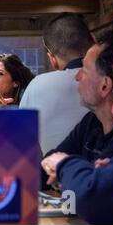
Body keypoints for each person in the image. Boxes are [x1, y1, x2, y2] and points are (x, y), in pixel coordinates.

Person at [42, 37, 113, 224]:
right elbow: (49, 164)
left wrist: (66, 165)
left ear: (105, 85)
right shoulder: (92, 121)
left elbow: (93, 197)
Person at [20, 13, 93, 154]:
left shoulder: (37, 86)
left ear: (52, 59)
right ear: (92, 43)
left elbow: (23, 143)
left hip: (55, 172)